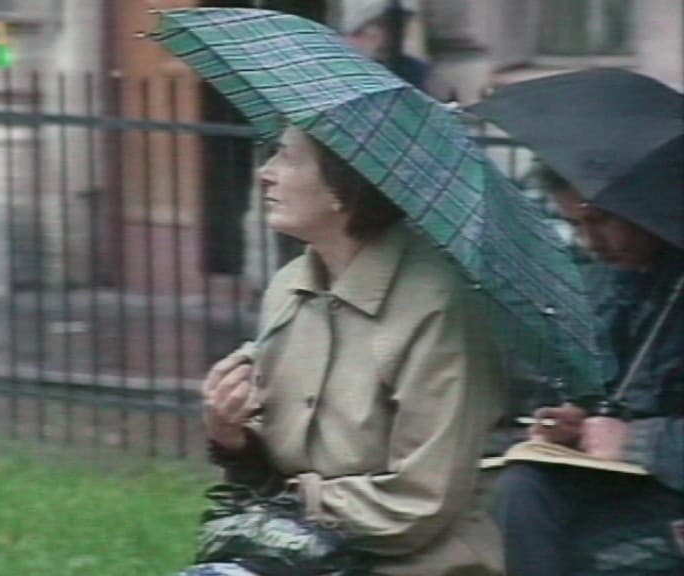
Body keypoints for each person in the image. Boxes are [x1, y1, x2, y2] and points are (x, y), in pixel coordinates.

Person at [200, 124, 504, 575]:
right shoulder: (289, 288)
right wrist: (233, 436)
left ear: (344, 186)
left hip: (415, 562)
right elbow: (279, 463)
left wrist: (291, 505)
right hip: (301, 548)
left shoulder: (437, 305)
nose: (266, 172)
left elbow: (422, 498)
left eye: (288, 157)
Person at [469, 69, 684, 576]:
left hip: (667, 485)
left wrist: (637, 441)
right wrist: (580, 419)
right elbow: (619, 384)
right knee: (523, 488)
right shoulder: (623, 279)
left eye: (601, 221)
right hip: (629, 480)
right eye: (575, 225)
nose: (591, 242)